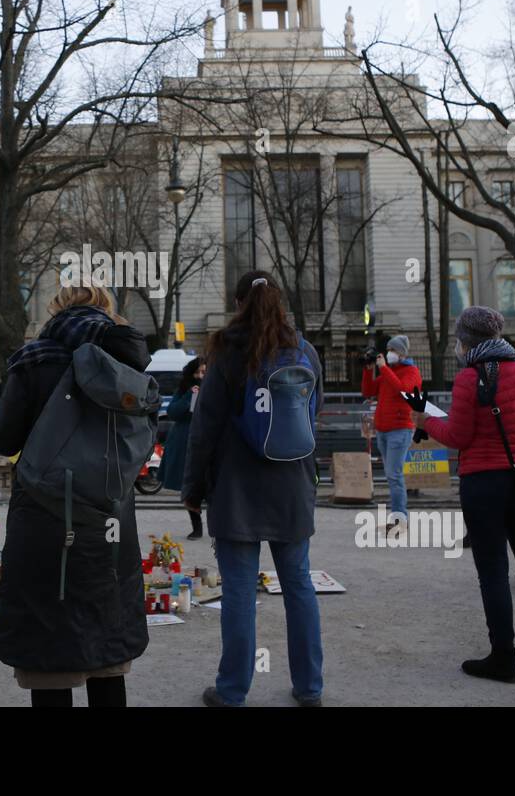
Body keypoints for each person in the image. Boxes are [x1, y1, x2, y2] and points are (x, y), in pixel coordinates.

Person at [0, 284, 150, 707]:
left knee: (48, 654)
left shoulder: (36, 358)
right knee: (107, 650)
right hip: (110, 516)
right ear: (107, 309)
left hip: (44, 516)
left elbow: (4, 439)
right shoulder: (125, 361)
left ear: (56, 309)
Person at [183, 271, 325, 707]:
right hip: (291, 483)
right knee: (298, 585)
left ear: (238, 301)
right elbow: (311, 415)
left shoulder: (227, 351)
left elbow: (204, 427)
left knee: (240, 593)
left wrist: (193, 486)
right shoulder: (305, 352)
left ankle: (232, 690)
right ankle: (309, 687)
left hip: (237, 486)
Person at [414, 306, 515, 682]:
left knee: (494, 572)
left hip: (484, 483)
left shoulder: (471, 377)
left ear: (465, 340)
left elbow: (459, 436)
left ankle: (503, 657)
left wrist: (426, 421)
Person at [360, 334, 424, 535]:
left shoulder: (411, 371)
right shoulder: (389, 373)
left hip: (400, 429)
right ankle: (398, 517)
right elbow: (368, 390)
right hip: (384, 430)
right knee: (392, 475)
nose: (389, 353)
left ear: (403, 353)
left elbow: (403, 390)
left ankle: (400, 519)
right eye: (388, 349)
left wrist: (384, 369)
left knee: (394, 475)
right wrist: (368, 370)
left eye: (393, 350)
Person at [160, 356, 206, 540]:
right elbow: (173, 411)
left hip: (206, 441)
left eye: (204, 372)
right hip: (184, 442)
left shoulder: (214, 387)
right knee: (188, 487)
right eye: (198, 372)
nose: (201, 376)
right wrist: (189, 396)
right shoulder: (184, 389)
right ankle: (197, 527)